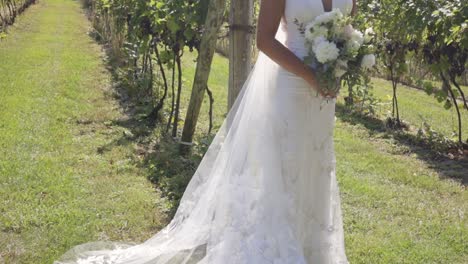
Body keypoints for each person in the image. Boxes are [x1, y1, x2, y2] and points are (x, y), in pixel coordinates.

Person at [55, 0, 356, 263]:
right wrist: (311, 75)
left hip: (323, 96)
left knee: (315, 165)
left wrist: (343, 64)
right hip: (290, 88)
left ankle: (311, 247)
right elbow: (265, 40)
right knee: (283, 170)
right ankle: (276, 249)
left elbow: (345, 31)